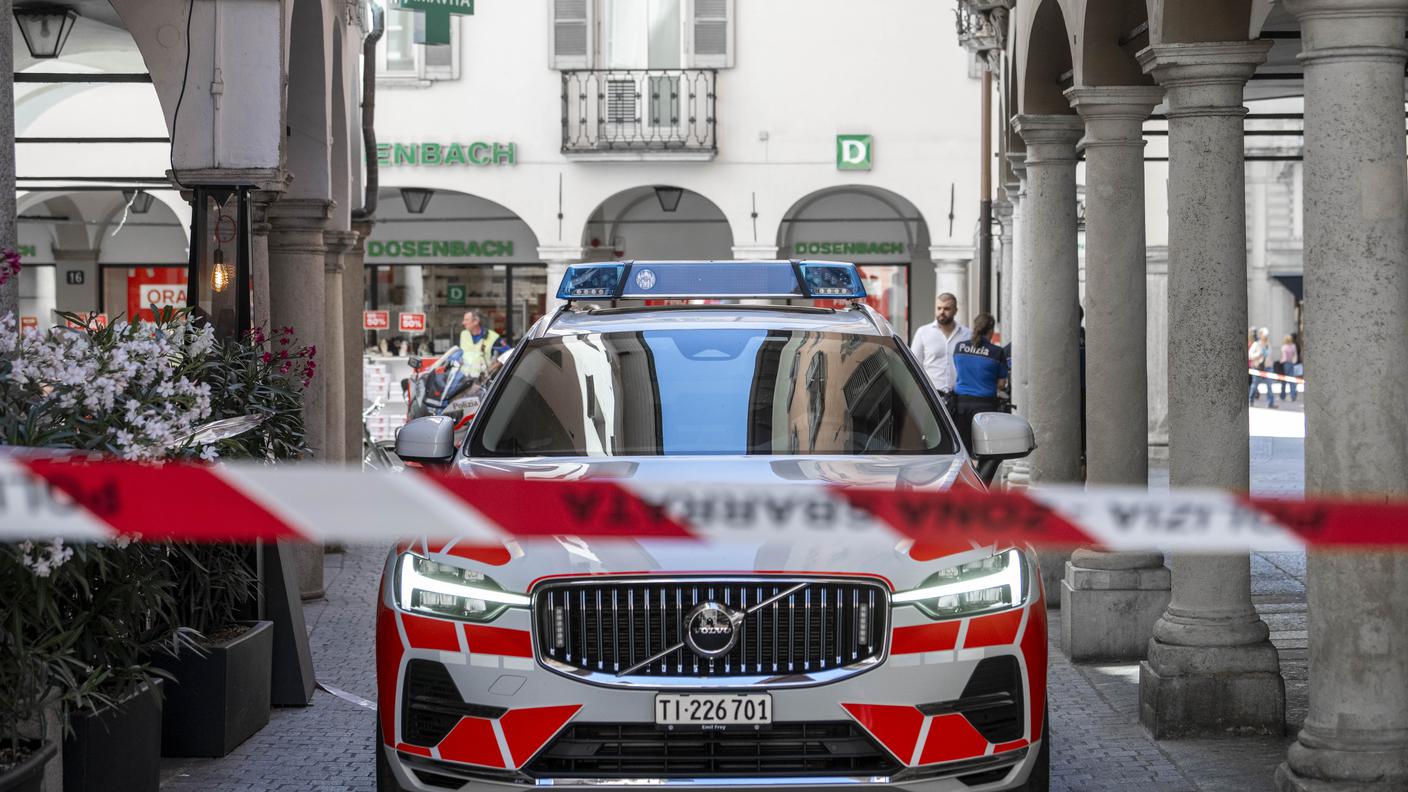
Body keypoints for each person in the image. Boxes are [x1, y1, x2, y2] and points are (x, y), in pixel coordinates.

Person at [951, 313, 1008, 452]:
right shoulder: (997, 352)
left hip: (960, 405)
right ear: (991, 331)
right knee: (985, 450)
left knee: (963, 449)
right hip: (985, 406)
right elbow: (1001, 384)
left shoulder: (959, 347)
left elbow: (959, 370)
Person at [910, 293, 971, 406]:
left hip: (960, 398)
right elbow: (914, 366)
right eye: (939, 308)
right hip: (932, 396)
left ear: (955, 311)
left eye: (947, 308)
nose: (942, 312)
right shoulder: (923, 332)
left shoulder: (967, 334)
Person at [458, 310, 500, 379]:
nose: (463, 323)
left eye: (466, 320)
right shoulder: (464, 334)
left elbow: (507, 355)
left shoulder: (493, 336)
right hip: (464, 380)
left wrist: (489, 370)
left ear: (476, 321)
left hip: (482, 381)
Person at [1248, 327, 1277, 408]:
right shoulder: (1256, 344)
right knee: (1254, 386)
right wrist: (1258, 355)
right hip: (1258, 368)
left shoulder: (1268, 344)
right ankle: (1251, 400)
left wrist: (1270, 364)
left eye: (1267, 335)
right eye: (1264, 335)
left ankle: (1271, 403)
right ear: (1260, 335)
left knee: (1270, 386)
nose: (1266, 337)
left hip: (1268, 368)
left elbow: (1270, 356)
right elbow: (1249, 355)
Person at [1279, 333, 1298, 402]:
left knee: (1284, 380)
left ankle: (1283, 395)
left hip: (1285, 364)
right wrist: (1294, 361)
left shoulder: (1283, 347)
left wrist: (1281, 361)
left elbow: (1283, 357)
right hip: (1291, 363)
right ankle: (1293, 396)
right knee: (1292, 381)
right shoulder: (1293, 346)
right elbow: (1295, 355)